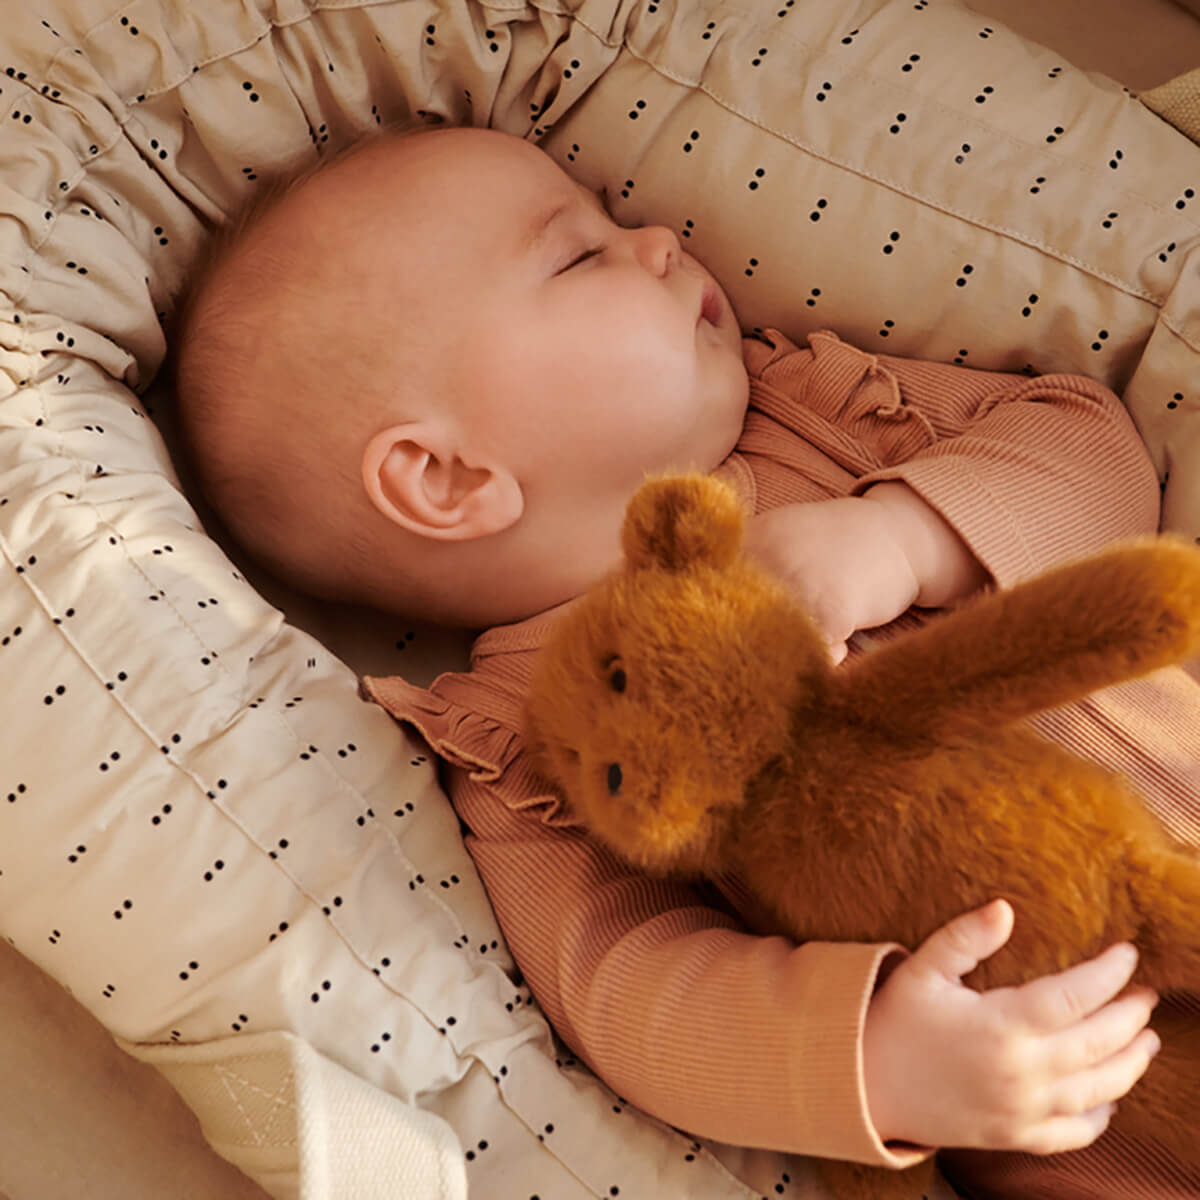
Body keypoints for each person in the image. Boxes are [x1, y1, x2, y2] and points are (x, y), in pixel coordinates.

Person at [171, 123, 1200, 1198]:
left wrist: (903, 537)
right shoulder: (521, 741)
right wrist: (877, 1063)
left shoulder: (816, 411)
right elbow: (627, 985)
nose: (657, 237)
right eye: (579, 255)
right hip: (1096, 1084)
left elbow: (1093, 445)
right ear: (445, 476)